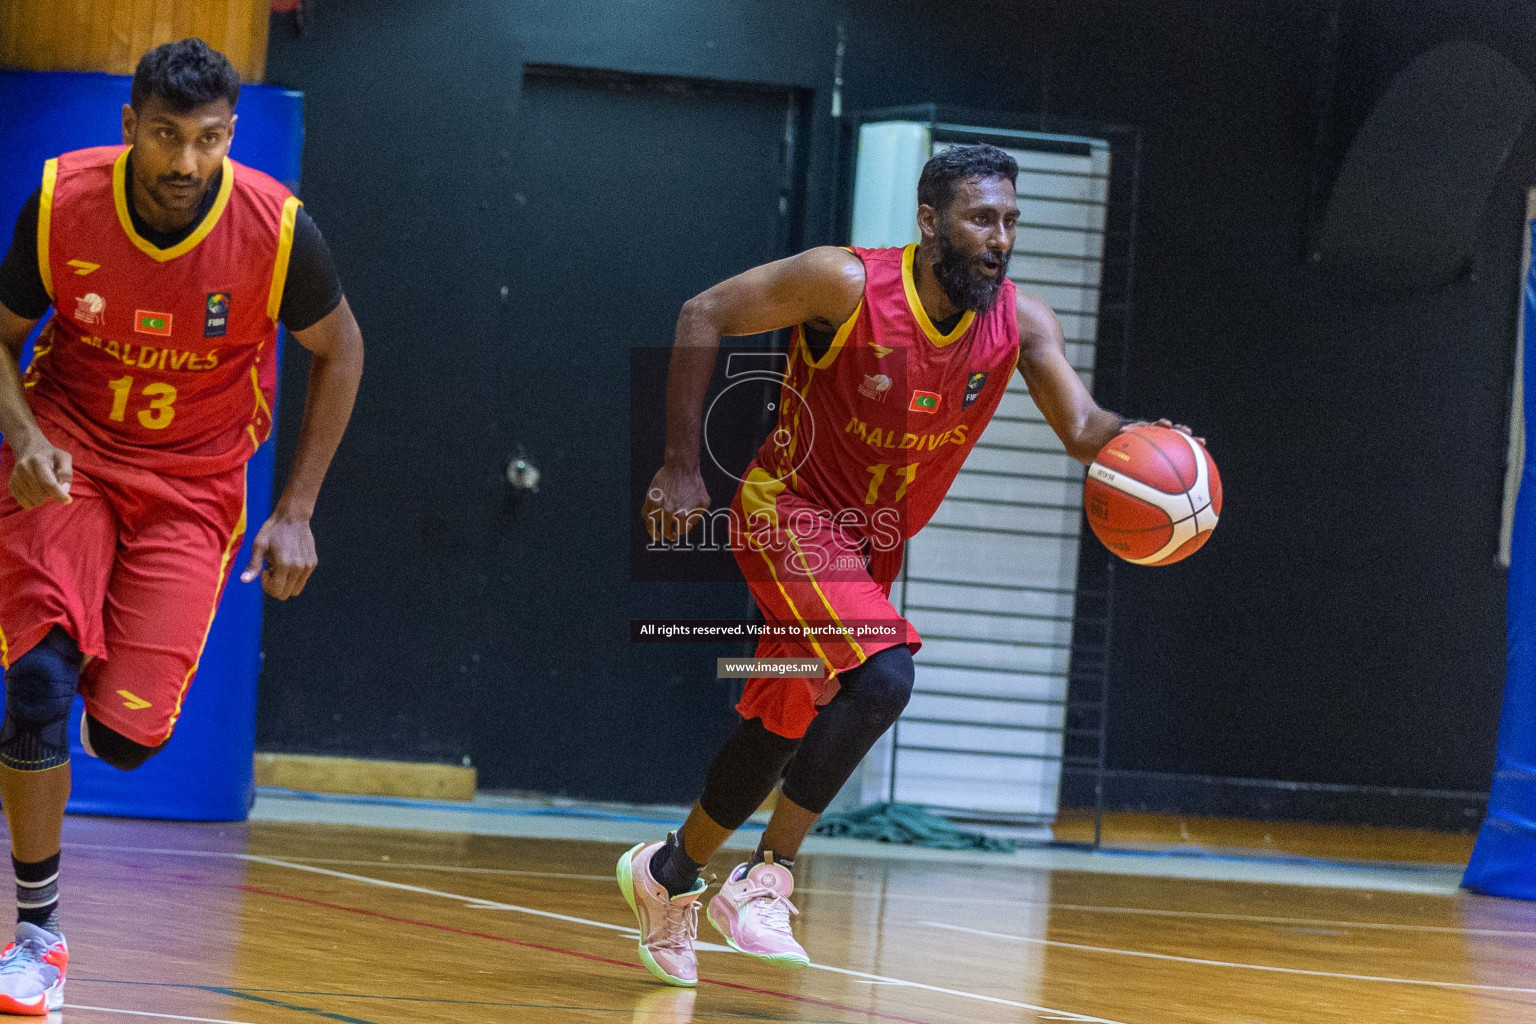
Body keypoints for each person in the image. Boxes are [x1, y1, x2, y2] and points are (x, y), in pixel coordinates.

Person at [622, 143, 1198, 987]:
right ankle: (764, 877)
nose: (999, 238)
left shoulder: (1023, 323)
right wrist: (680, 463)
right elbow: (702, 311)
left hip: (869, 543)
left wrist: (1160, 447)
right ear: (930, 222)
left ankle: (669, 875)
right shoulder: (843, 282)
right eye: (980, 218)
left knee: (782, 723)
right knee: (885, 677)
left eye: (1010, 221)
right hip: (788, 510)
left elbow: (1083, 429)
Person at [0, 38, 363, 1013]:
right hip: (68, 453)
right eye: (166, 136)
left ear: (231, 136)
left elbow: (343, 350)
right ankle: (37, 935)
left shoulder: (278, 231)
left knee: (123, 739)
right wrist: (23, 434)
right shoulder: (63, 201)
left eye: (206, 140)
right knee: (35, 681)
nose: (185, 162)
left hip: (195, 482)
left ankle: (85, 660)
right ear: (130, 127)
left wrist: (296, 508)